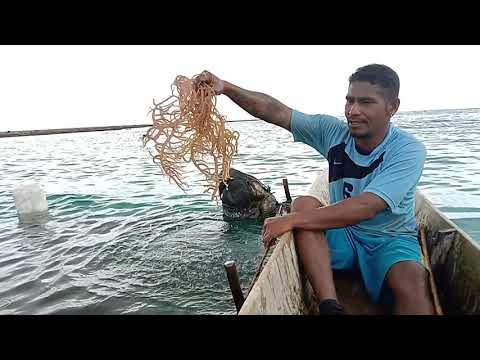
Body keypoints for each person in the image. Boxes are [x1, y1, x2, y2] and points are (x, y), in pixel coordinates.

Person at [194, 64, 434, 315]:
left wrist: (290, 220)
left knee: (413, 280)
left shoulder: (408, 150)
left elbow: (368, 206)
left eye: (366, 102)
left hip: (390, 238)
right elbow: (275, 111)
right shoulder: (333, 132)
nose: (353, 111)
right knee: (303, 204)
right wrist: (226, 87)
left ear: (392, 107)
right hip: (345, 234)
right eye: (349, 101)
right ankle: (329, 306)